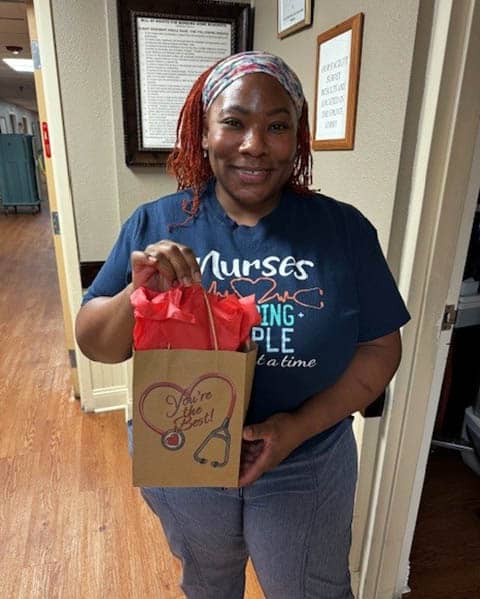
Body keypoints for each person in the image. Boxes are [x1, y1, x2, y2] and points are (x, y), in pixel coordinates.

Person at [76, 51, 410, 599]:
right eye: (233, 122)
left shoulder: (342, 230)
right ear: (203, 133)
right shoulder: (156, 222)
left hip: (306, 459)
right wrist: (138, 291)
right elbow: (98, 345)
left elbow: (379, 348)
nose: (254, 144)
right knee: (209, 584)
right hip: (183, 454)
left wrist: (294, 429)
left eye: (277, 125)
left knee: (311, 590)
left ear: (297, 138)